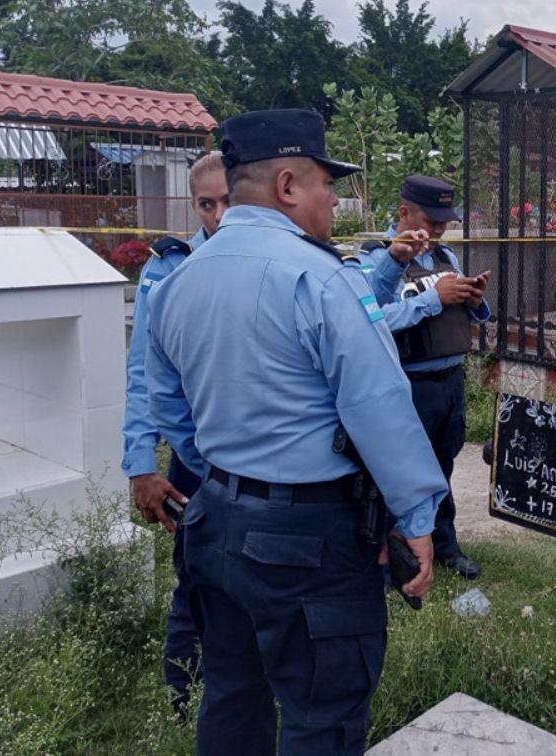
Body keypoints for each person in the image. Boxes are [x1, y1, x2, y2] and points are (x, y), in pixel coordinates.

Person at [145, 108, 448, 755]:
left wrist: (229, 473)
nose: (333, 200)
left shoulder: (179, 282)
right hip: (308, 544)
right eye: (324, 185)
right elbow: (380, 407)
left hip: (216, 523)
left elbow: (168, 406)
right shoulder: (322, 278)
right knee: (323, 717)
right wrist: (418, 517)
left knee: (232, 699)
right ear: (287, 185)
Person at [120, 150, 228, 716]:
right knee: (195, 582)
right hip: (194, 457)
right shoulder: (168, 268)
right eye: (206, 204)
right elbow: (142, 374)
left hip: (257, 457)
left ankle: (240, 691)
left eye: (228, 201)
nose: (217, 215)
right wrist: (141, 463)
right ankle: (182, 700)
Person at [361, 175, 490, 581]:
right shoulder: (375, 259)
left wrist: (474, 300)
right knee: (397, 474)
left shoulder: (445, 256)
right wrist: (434, 300)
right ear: (404, 213)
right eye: (431, 220)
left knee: (442, 469)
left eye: (444, 221)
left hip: (450, 382)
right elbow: (370, 316)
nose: (438, 229)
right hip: (406, 384)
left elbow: (461, 311)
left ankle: (445, 546)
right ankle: (390, 557)